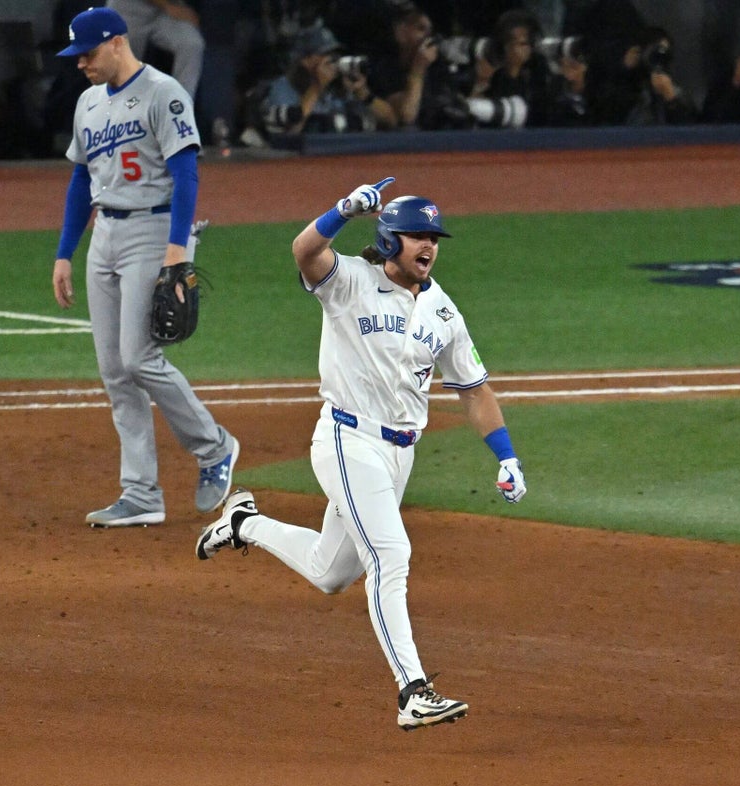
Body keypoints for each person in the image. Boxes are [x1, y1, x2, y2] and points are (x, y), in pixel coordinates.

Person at [194, 178, 528, 731]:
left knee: (331, 571)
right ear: (390, 239)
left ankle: (244, 524)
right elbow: (304, 251)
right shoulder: (349, 280)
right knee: (390, 554)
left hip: (399, 456)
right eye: (417, 236)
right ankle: (412, 692)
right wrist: (340, 211)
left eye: (434, 238)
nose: (429, 246)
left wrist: (507, 456)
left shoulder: (444, 312)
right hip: (348, 441)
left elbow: (473, 390)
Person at [51, 7, 239, 528]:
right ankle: (141, 493)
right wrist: (66, 251)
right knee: (115, 371)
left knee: (139, 358)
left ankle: (214, 447)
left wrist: (177, 248)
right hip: (105, 236)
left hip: (153, 232)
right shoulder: (88, 103)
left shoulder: (164, 93)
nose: (81, 64)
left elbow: (187, 175)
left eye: (87, 53)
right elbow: (78, 182)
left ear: (116, 42)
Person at [247, 22, 397, 138]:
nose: (333, 61)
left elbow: (390, 121)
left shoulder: (337, 89)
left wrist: (362, 92)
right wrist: (316, 88)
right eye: (326, 54)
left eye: (335, 55)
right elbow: (290, 134)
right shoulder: (281, 88)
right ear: (305, 60)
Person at [591, 24, 696, 125]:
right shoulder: (625, 88)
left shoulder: (675, 93)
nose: (658, 59)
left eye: (664, 53)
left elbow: (691, 133)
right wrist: (624, 70)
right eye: (654, 53)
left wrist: (671, 100)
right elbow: (605, 116)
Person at [106, 0, 205, 98]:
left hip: (161, 14)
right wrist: (169, 6)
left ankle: (181, 106)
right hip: (127, 9)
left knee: (191, 43)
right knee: (122, 70)